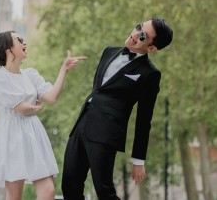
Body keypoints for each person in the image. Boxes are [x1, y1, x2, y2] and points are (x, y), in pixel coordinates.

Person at [61, 17, 173, 200]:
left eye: (143, 36)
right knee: (69, 185)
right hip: (81, 125)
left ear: (152, 48)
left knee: (104, 191)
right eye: (139, 27)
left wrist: (138, 160)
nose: (136, 34)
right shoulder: (109, 52)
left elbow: (144, 119)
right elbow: (98, 90)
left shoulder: (150, 74)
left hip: (106, 133)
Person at [0, 30, 87, 200]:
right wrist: (37, 108)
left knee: (48, 192)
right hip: (11, 137)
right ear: (8, 48)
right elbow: (21, 108)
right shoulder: (0, 78)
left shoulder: (30, 74)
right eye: (19, 40)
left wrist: (64, 69)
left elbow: (51, 97)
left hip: (33, 134)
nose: (25, 43)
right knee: (14, 196)